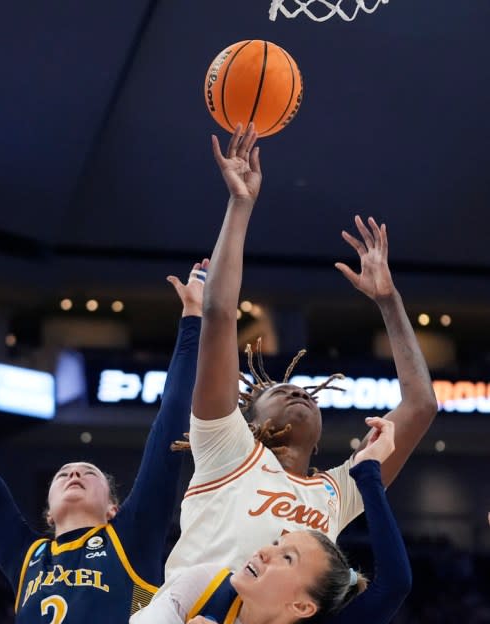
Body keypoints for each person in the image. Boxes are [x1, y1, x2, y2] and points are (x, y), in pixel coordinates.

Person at [162, 122, 437, 583]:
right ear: (248, 422)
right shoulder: (225, 447)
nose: (298, 392)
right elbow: (220, 312)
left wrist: (389, 302)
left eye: (303, 391)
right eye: (282, 390)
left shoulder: (336, 492)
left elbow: (421, 405)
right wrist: (240, 204)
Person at [0, 261, 207, 624]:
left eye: (88, 472)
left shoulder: (128, 539)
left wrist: (192, 323)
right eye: (64, 473)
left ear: (113, 506)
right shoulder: (27, 557)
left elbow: (170, 424)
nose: (73, 473)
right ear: (47, 511)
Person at [109, 415, 412, 624]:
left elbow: (394, 584)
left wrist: (368, 471)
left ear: (302, 606)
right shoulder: (203, 587)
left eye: (288, 558)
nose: (266, 551)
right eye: (278, 545)